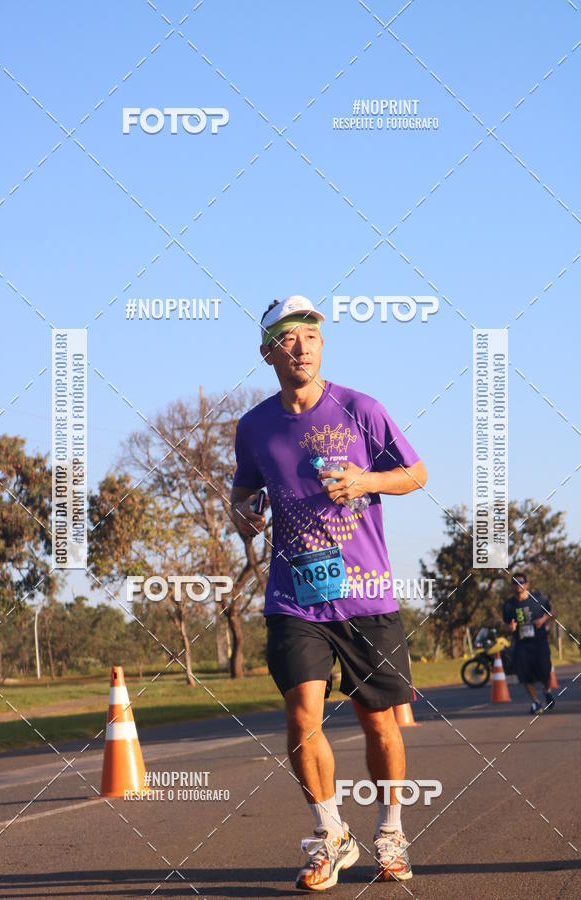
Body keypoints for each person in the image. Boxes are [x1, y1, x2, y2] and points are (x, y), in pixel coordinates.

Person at [230, 295, 427, 889]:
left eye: (312, 336)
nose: (302, 347)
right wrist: (244, 515)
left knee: (380, 724)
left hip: (366, 597)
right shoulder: (255, 427)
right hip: (295, 596)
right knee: (303, 718)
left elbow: (416, 473)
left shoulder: (361, 408)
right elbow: (244, 496)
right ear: (268, 352)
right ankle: (330, 834)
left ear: (322, 344)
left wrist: (366, 479)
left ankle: (390, 832)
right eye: (289, 338)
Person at [502, 573, 555, 714]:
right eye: (515, 582)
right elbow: (506, 625)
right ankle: (536, 702)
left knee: (545, 671)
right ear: (511, 586)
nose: (518, 585)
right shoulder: (508, 605)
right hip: (521, 645)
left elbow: (551, 612)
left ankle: (547, 691)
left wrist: (543, 621)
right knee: (525, 674)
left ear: (526, 584)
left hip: (540, 642)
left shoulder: (538, 598)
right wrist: (510, 628)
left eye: (521, 582)